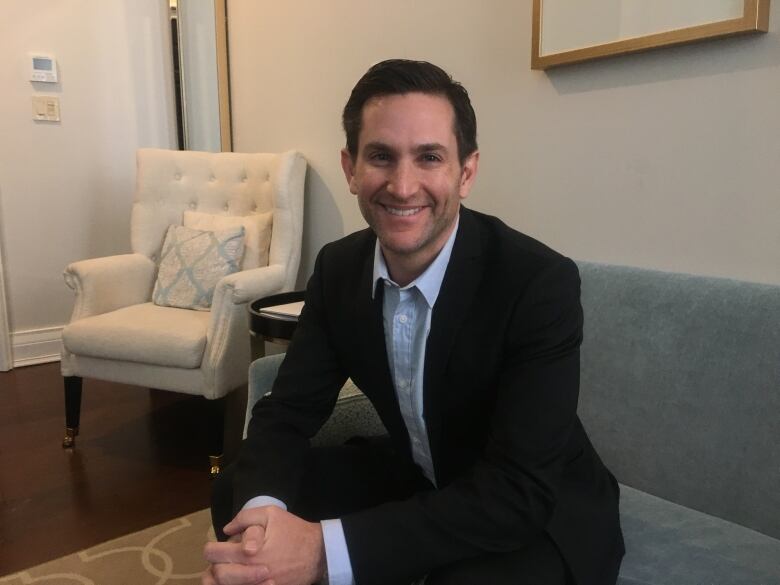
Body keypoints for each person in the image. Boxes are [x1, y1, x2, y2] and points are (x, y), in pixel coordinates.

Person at [204, 59, 624, 585]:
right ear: (351, 168)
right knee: (238, 495)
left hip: (538, 507)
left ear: (465, 172)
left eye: (429, 157)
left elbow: (519, 490)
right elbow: (287, 413)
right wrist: (266, 525)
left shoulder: (537, 283)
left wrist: (320, 551)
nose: (403, 186)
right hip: (421, 475)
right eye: (381, 156)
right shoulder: (338, 269)